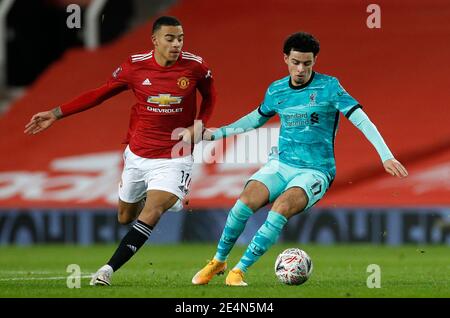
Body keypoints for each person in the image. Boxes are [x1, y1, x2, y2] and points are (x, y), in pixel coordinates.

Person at [192, 32, 408, 286]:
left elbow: (361, 119)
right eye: (295, 62)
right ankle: (218, 261)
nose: (301, 69)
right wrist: (215, 134)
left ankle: (240, 270)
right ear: (286, 59)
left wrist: (386, 155)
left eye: (307, 63)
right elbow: (254, 119)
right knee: (244, 203)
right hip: (281, 164)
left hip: (315, 171)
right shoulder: (277, 90)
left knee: (280, 207)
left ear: (315, 60)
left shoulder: (329, 87)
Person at [24, 16, 216, 286]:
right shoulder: (135, 66)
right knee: (125, 216)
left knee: (152, 211)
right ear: (155, 40)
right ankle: (163, 196)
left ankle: (107, 270)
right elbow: (100, 93)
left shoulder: (195, 67)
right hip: (137, 154)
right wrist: (56, 113)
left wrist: (200, 124)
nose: (176, 44)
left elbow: (210, 97)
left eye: (180, 38)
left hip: (175, 156)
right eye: (170, 38)